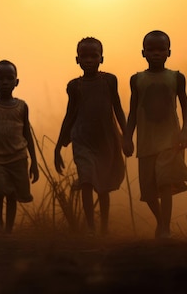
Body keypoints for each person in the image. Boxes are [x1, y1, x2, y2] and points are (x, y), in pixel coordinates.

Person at [54, 37, 127, 236]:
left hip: (105, 141)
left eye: (93, 56)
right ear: (77, 59)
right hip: (82, 139)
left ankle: (103, 227)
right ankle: (91, 228)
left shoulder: (109, 81)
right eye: (84, 56)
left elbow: (118, 108)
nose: (88, 60)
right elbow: (70, 114)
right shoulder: (74, 86)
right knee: (86, 180)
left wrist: (126, 135)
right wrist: (59, 146)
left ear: (101, 58)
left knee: (103, 187)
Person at [123, 30, 187, 239]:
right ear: (143, 53)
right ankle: (160, 221)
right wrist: (127, 137)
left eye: (161, 49)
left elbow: (186, 108)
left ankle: (166, 229)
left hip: (170, 140)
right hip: (145, 142)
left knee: (165, 184)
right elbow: (133, 111)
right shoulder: (137, 79)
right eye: (151, 50)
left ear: (168, 52)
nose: (156, 53)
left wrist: (184, 132)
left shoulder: (176, 78)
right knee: (149, 191)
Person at [0, 60, 39, 235]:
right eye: (0, 78)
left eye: (9, 78)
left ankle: (8, 228)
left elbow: (27, 134)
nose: (5, 82)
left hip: (18, 157)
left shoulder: (22, 106)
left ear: (16, 81)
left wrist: (34, 162)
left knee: (13, 194)